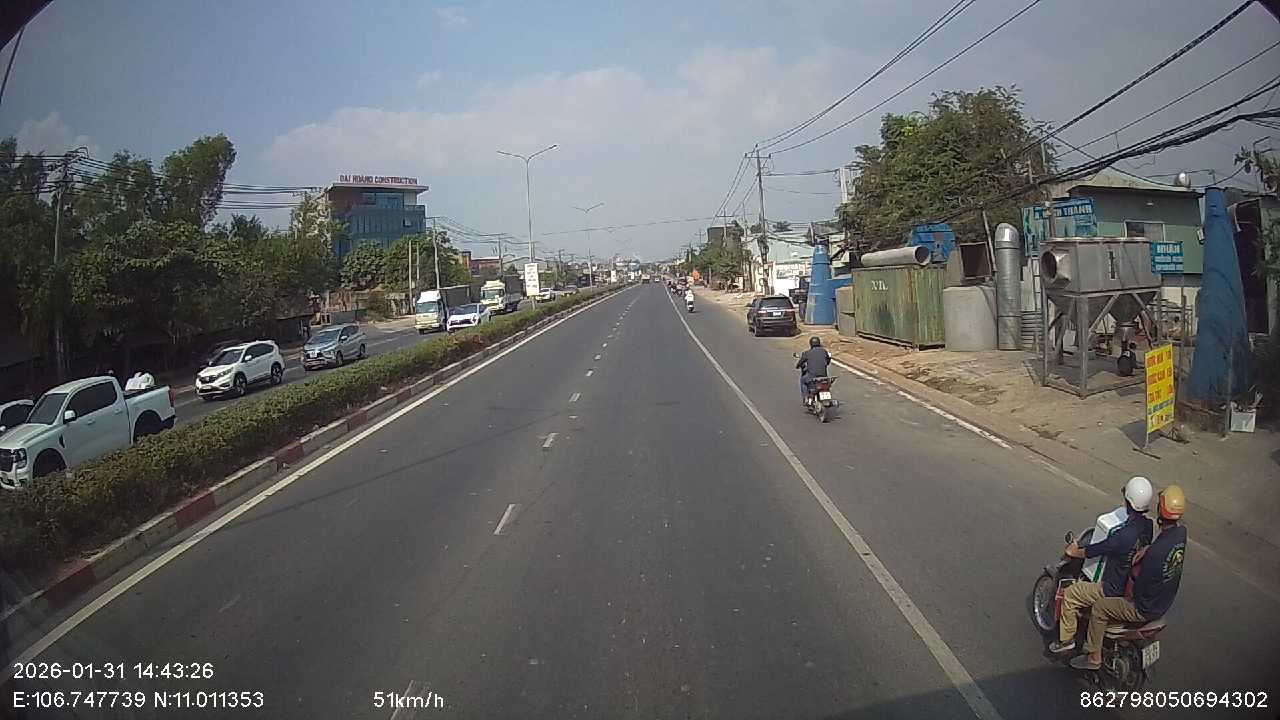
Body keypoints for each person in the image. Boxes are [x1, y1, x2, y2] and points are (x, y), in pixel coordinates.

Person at [1069, 485, 1187, 670]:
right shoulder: (1180, 534)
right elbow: (1161, 549)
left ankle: (1093, 657)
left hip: (1144, 607)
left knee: (1100, 607)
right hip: (1164, 602)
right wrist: (1147, 549)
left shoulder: (1150, 552)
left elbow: (1138, 588)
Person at [1049, 476, 1154, 655]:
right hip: (1130, 584)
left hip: (1111, 588)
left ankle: (1066, 640)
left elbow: (1095, 550)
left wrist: (1074, 551)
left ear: (1128, 502)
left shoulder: (1122, 536)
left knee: (1071, 594)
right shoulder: (1147, 526)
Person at [795, 336, 831, 405]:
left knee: (803, 381)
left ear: (811, 344)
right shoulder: (824, 351)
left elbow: (800, 363)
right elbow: (828, 362)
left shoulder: (807, 353)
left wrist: (797, 366)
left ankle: (806, 398)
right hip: (824, 376)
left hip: (812, 377)